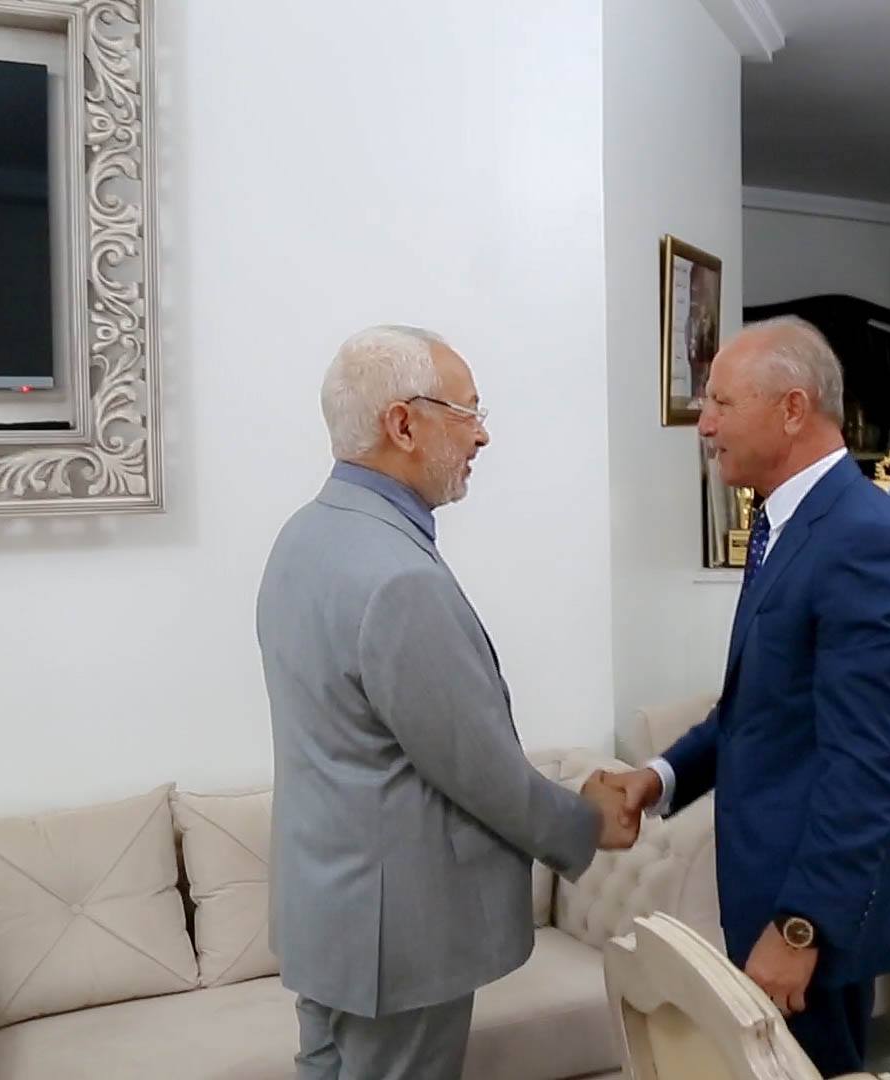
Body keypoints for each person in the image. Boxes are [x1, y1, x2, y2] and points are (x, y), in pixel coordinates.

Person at [256, 325, 637, 1080]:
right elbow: (480, 771)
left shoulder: (303, 537)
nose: (482, 435)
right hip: (398, 937)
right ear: (402, 424)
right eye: (467, 412)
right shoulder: (400, 579)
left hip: (327, 918)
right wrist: (585, 820)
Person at [606, 316, 890, 1076]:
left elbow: (867, 762)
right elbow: (762, 707)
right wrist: (658, 778)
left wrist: (802, 926)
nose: (705, 425)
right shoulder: (789, 524)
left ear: (793, 409)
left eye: (722, 403)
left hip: (813, 907)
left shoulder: (865, 540)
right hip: (774, 885)